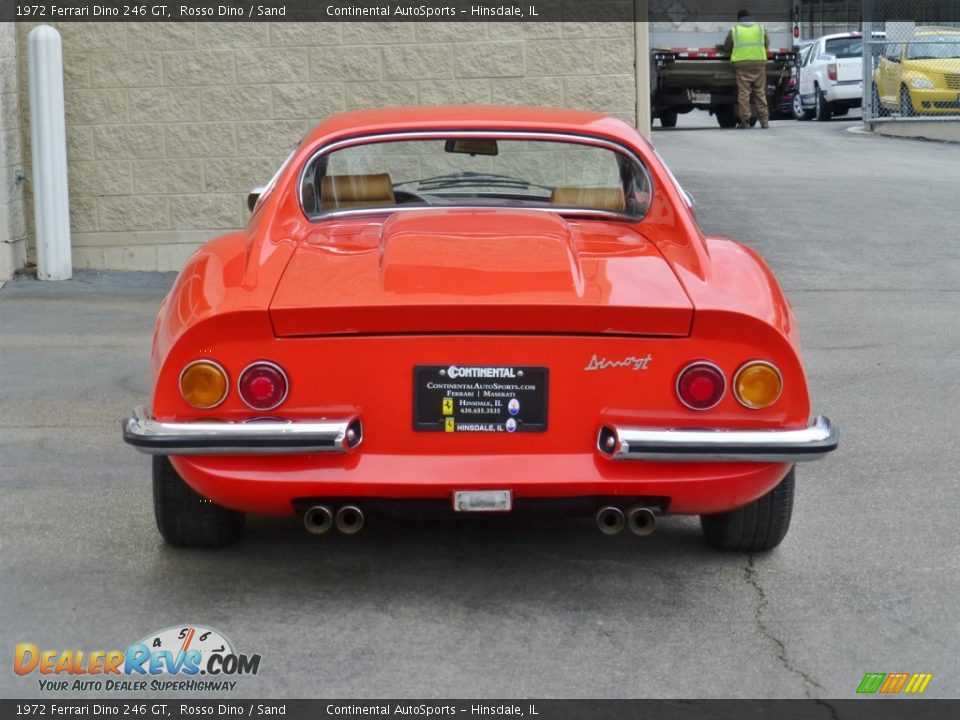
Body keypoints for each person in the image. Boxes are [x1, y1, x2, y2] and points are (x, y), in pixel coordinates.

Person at [722, 8, 771, 128]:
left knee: (744, 94)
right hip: (759, 62)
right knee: (760, 92)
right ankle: (764, 121)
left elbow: (727, 47)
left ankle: (745, 122)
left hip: (742, 63)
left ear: (739, 19)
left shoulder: (735, 30)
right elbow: (767, 43)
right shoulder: (760, 28)